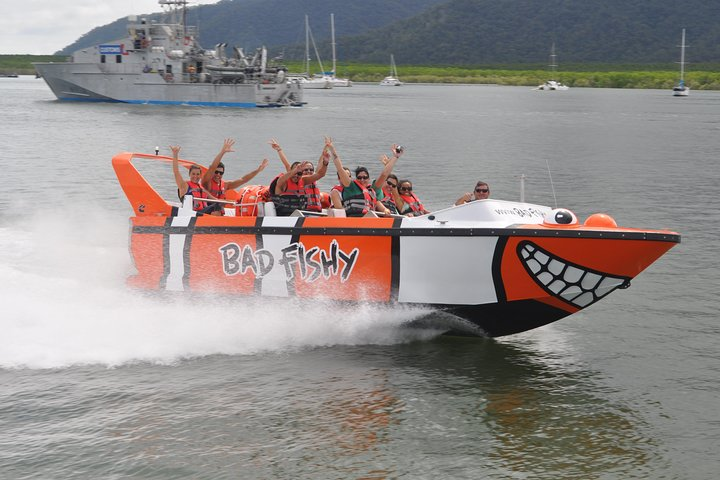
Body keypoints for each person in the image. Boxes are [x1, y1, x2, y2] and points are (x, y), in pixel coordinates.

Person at [328, 140, 401, 217]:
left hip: (369, 219)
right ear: (356, 178)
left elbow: (384, 174)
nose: (362, 180)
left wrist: (395, 157)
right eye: (359, 177)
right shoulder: (350, 187)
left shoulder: (372, 190)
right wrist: (332, 150)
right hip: (354, 219)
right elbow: (339, 168)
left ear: (368, 179)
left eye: (365, 177)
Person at [201, 138, 269, 214]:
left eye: (221, 173)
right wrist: (222, 152)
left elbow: (243, 179)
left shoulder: (225, 185)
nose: (218, 175)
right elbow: (212, 167)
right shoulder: (206, 182)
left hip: (219, 212)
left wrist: (258, 170)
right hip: (208, 212)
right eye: (216, 172)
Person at [268, 138, 329, 216]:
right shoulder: (282, 182)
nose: (296, 175)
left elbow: (321, 174)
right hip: (284, 216)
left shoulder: (303, 180)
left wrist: (325, 163)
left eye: (299, 173)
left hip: (301, 215)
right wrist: (279, 150)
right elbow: (287, 166)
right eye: (295, 172)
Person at [170, 145, 220, 214]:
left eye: (197, 174)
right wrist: (175, 154)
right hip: (193, 214)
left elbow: (215, 200)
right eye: (193, 174)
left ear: (200, 175)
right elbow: (176, 172)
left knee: (218, 204)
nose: (195, 176)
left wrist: (230, 202)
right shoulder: (184, 186)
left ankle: (221, 223)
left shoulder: (201, 188)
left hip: (203, 214)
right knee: (215, 206)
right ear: (189, 174)